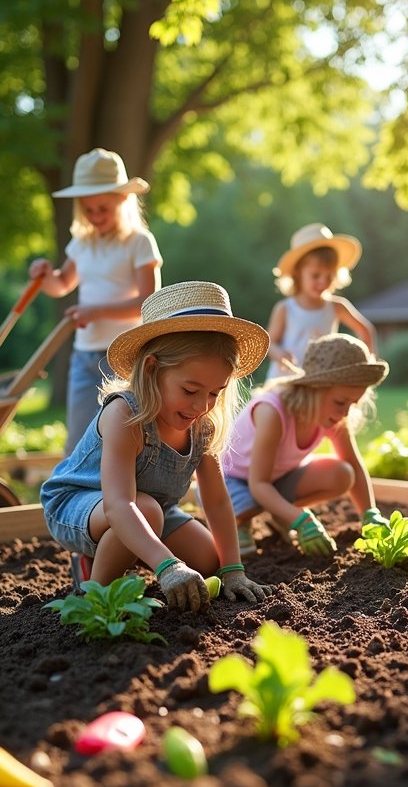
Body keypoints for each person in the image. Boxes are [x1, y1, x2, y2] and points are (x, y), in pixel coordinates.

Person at [40, 281, 273, 613]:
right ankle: (95, 592)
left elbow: (218, 502)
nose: (202, 405)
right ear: (151, 369)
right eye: (190, 390)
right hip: (79, 506)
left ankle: (127, 552)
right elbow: (119, 505)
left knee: (209, 561)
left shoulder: (201, 425)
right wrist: (168, 566)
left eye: (214, 393)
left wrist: (233, 570)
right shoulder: (125, 415)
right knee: (144, 510)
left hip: (154, 511)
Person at [30, 148, 163, 453]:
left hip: (126, 355)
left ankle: (121, 492)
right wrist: (42, 276)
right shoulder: (82, 243)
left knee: (124, 434)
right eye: (88, 210)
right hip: (84, 354)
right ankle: (77, 496)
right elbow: (61, 284)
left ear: (122, 199)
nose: (96, 216)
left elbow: (149, 303)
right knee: (78, 436)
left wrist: (96, 310)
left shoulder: (139, 242)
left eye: (103, 208)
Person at [222, 332, 389, 557]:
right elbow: (258, 484)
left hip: (275, 479)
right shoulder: (272, 412)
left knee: (343, 474)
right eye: (340, 402)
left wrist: (370, 514)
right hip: (231, 481)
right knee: (252, 503)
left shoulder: (333, 415)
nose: (345, 412)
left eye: (353, 403)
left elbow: (354, 466)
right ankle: (239, 521)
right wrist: (302, 520)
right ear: (315, 388)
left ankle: (282, 514)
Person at [266, 223, 377, 381]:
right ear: (298, 272)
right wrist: (280, 354)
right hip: (285, 381)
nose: (323, 282)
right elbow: (270, 343)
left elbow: (365, 330)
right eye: (315, 275)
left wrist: (365, 365)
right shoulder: (285, 308)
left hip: (321, 382)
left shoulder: (337, 306)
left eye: (329, 276)